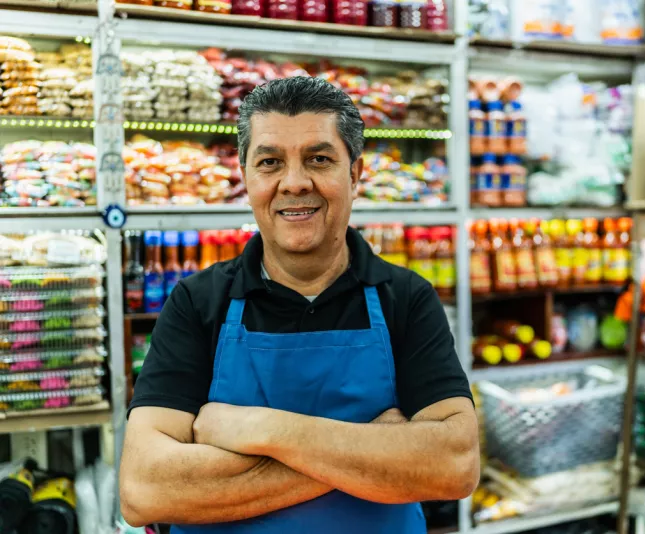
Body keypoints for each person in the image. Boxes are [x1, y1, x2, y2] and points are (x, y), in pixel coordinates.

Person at [119, 76, 479, 533]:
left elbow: (453, 466)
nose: (294, 183)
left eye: (319, 159)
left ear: (354, 173)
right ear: (246, 176)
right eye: (270, 162)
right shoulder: (197, 302)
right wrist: (377, 451)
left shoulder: (405, 298)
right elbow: (145, 490)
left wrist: (264, 431)